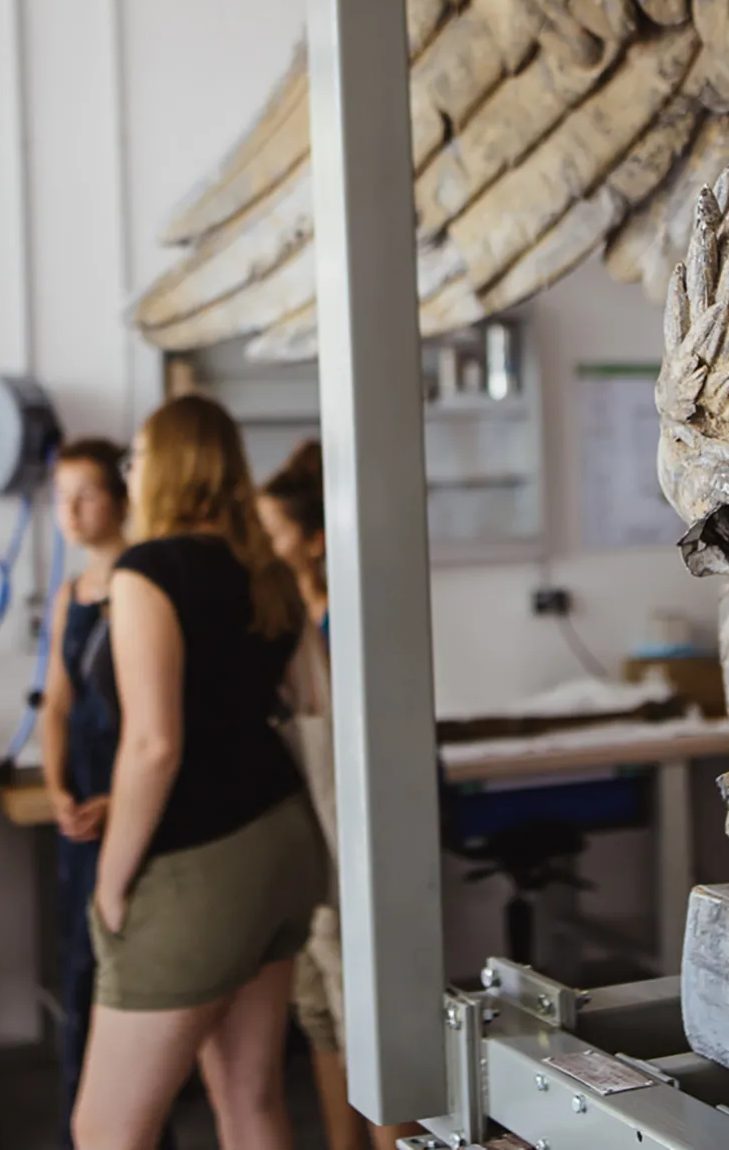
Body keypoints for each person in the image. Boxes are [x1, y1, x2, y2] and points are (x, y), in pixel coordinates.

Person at [70, 397, 327, 1150]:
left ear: (171, 466)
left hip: (197, 863)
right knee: (250, 1101)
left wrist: (112, 880)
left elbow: (154, 744)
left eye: (138, 457)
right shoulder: (266, 570)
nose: (133, 471)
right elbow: (316, 697)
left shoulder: (147, 569)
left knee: (105, 1129)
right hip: (283, 843)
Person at [256, 443, 417, 1150]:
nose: (262, 545)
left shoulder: (349, 621)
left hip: (360, 856)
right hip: (313, 859)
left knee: (371, 1029)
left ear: (314, 539)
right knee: (319, 1012)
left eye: (272, 531)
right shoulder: (285, 624)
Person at [31, 438, 142, 1149]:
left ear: (120, 497)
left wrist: (121, 801)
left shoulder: (144, 582)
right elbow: (56, 703)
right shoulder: (71, 594)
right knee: (78, 975)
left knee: (133, 983)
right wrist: (56, 789)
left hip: (138, 805)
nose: (69, 510)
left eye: (85, 494)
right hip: (81, 815)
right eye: (60, 496)